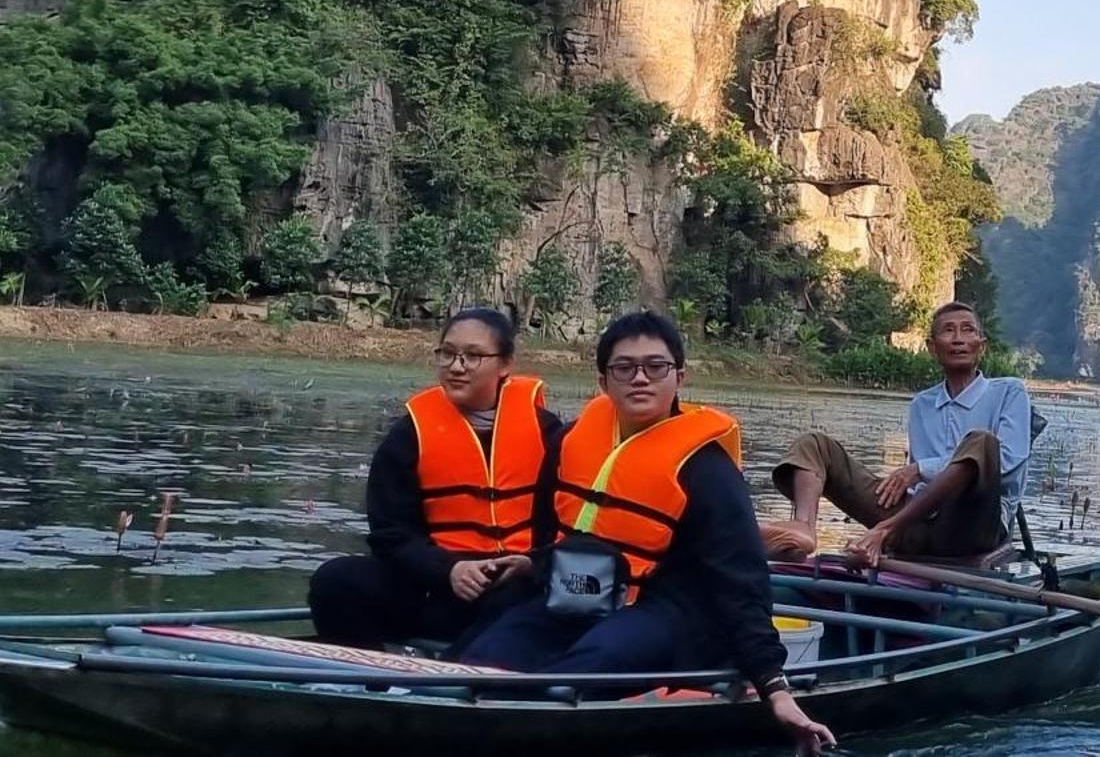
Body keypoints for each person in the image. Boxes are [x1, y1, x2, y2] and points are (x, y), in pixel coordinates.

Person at [461, 311, 834, 756]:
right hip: (581, 596)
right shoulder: (570, 442)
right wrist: (534, 563)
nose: (640, 379)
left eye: (656, 367)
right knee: (479, 664)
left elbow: (743, 586)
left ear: (680, 376)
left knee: (585, 670)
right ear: (603, 381)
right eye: (625, 368)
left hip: (673, 610)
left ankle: (528, 731)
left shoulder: (707, 471)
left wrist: (775, 689)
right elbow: (556, 537)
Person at [309, 306, 561, 649]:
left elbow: (567, 525)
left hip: (514, 586)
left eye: (473, 356)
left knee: (529, 603)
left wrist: (531, 564)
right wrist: (448, 569)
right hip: (435, 586)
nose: (457, 367)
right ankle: (371, 682)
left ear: (505, 364)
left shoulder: (548, 434)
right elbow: (391, 535)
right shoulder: (409, 434)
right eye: (448, 354)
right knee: (336, 581)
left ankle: (459, 674)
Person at [764, 301, 1032, 567]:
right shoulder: (922, 404)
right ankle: (802, 530)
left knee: (982, 442)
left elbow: (1006, 461)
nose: (959, 339)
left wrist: (918, 470)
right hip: (917, 523)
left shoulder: (1009, 391)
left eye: (968, 330)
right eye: (948, 331)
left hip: (976, 527)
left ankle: (883, 531)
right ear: (932, 347)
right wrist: (905, 486)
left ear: (981, 346)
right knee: (815, 445)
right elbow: (919, 489)